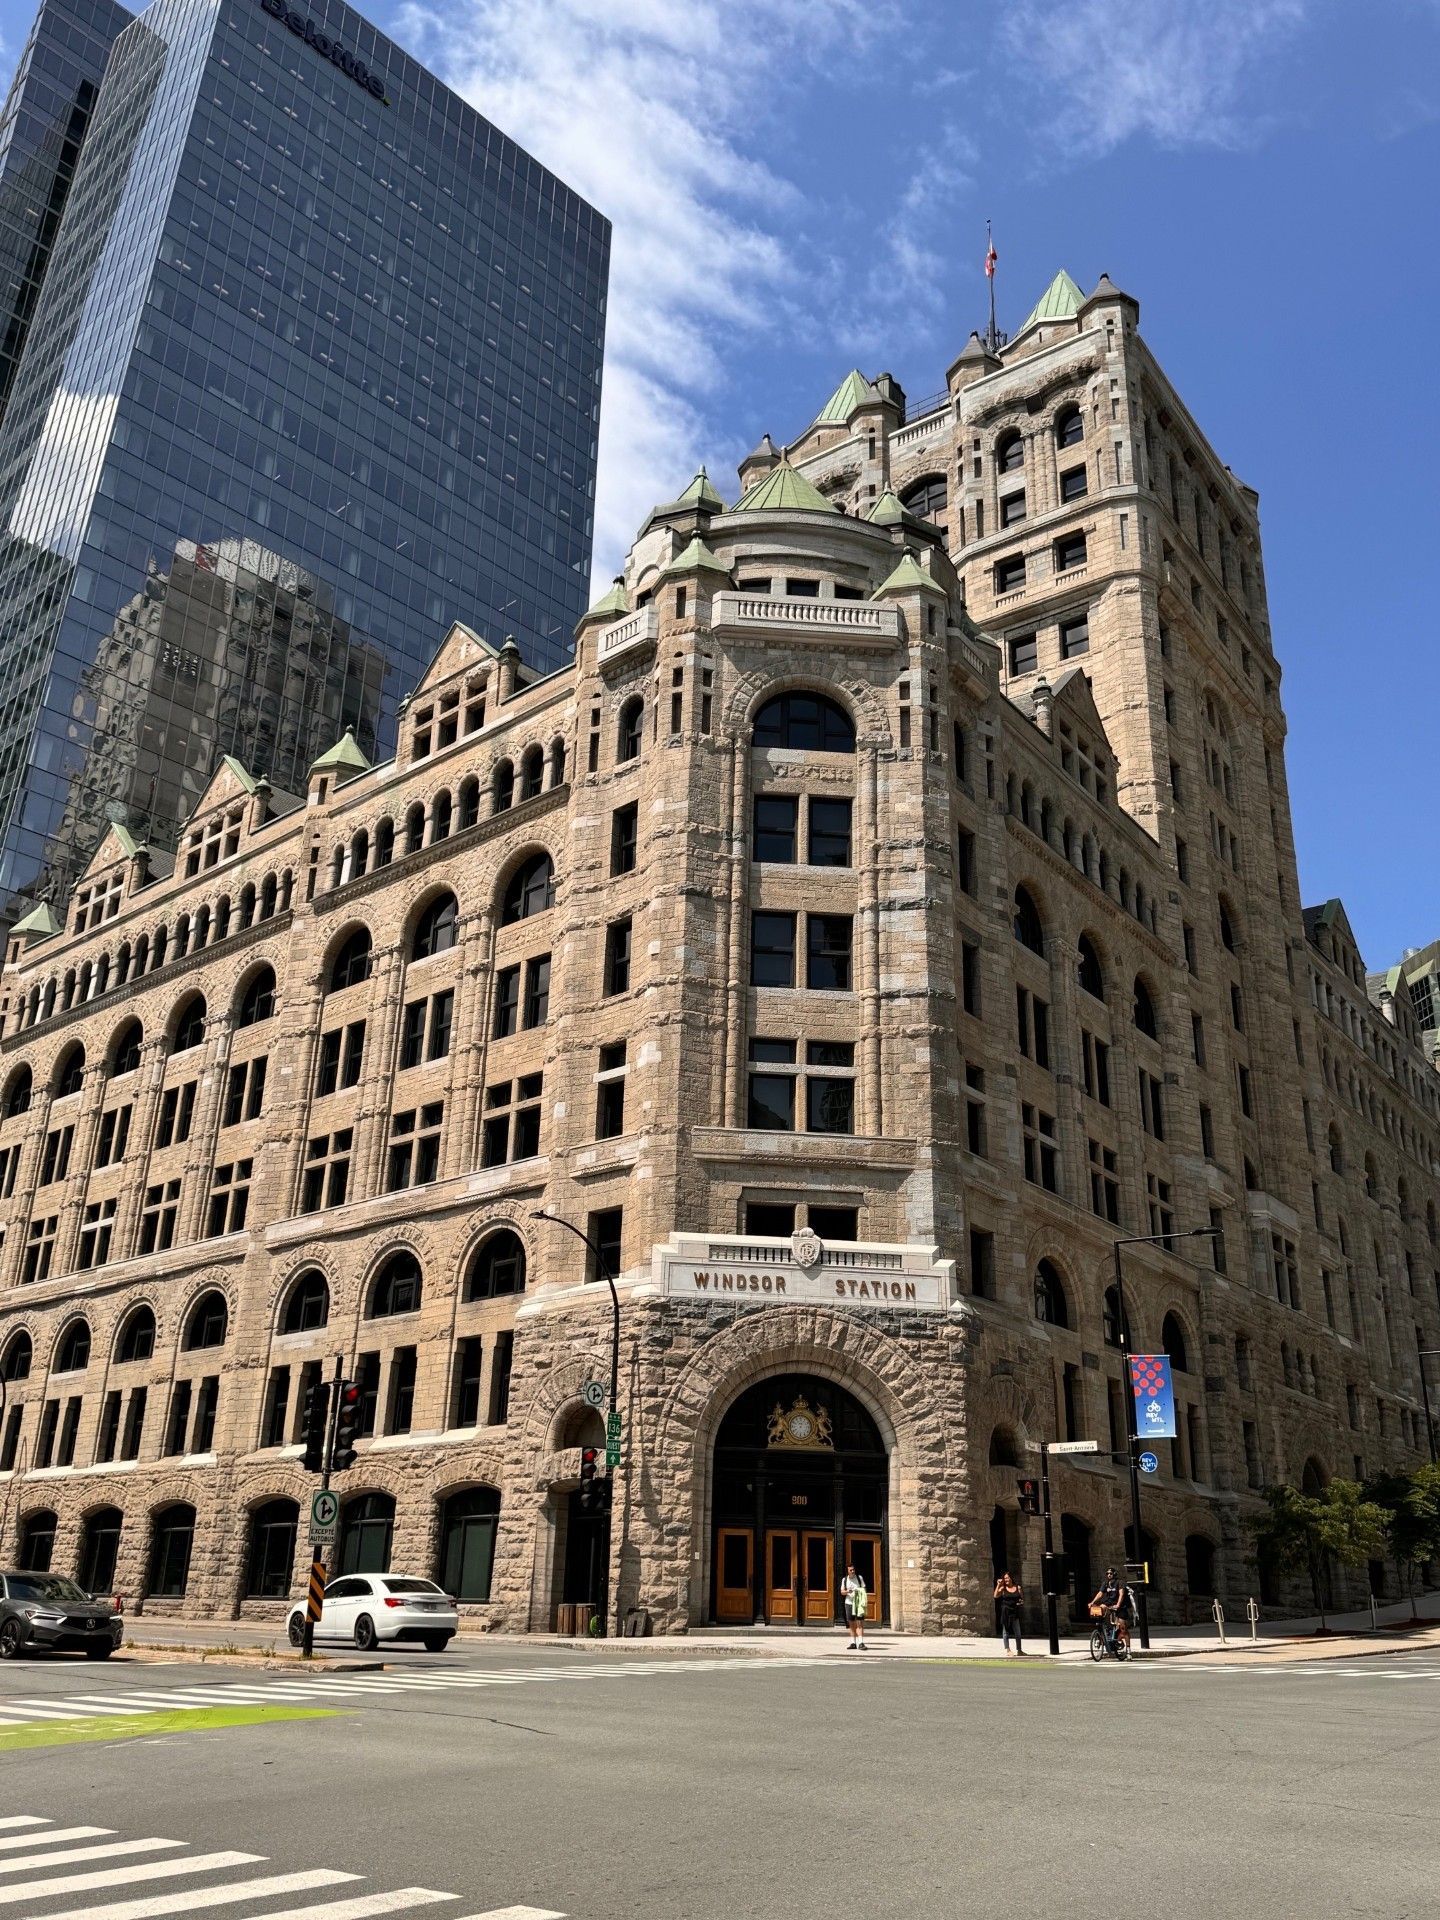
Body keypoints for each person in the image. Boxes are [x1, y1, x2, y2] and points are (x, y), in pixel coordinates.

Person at [1090, 1566, 1131, 1654]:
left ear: (1114, 1574)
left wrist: (1118, 1605)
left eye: (1110, 1573)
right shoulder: (1105, 1583)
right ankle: (1102, 1631)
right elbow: (1100, 1593)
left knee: (1123, 1628)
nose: (1109, 1575)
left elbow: (1121, 1594)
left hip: (1120, 1605)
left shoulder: (1120, 1582)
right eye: (1107, 1574)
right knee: (1099, 1609)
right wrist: (1092, 1602)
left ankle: (1128, 1650)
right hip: (1109, 1602)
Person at [993, 1571, 1024, 1656]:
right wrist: (998, 1585)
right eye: (1004, 1578)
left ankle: (1019, 1650)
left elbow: (1021, 1599)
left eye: (1007, 1578)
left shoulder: (1018, 1587)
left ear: (1011, 1578)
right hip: (1006, 1611)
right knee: (1005, 1632)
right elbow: (995, 1596)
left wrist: (1020, 1603)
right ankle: (1008, 1650)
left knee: (1018, 1632)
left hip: (1015, 1611)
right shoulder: (1003, 1588)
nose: (1005, 1579)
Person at [840, 1563, 868, 1650]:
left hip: (859, 1604)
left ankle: (861, 1643)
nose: (852, 1571)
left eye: (853, 1570)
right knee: (851, 1624)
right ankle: (853, 1643)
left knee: (859, 1623)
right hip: (849, 1603)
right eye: (851, 1570)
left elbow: (864, 1588)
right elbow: (842, 1592)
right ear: (848, 1571)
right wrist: (848, 1591)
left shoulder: (859, 1578)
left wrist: (858, 1591)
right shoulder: (844, 1580)